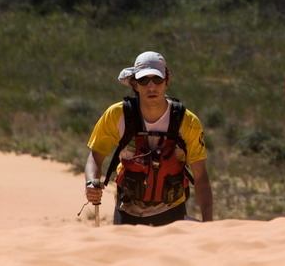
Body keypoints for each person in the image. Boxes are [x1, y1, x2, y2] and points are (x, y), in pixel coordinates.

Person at [84, 51, 213, 225]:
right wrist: (91, 182)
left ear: (167, 82)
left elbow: (201, 177)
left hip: (172, 212)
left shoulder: (187, 121)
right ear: (135, 84)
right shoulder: (117, 115)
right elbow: (95, 156)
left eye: (157, 79)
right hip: (127, 211)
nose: (151, 86)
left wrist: (208, 224)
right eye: (144, 80)